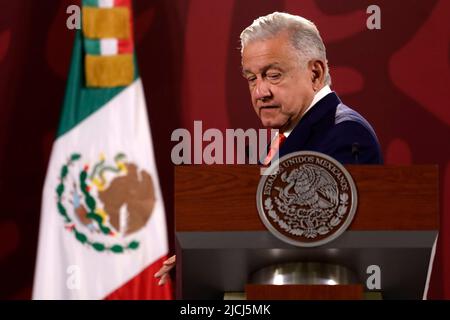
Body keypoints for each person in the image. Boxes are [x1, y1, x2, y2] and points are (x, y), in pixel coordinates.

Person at [154, 11, 383, 285]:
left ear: (315, 73)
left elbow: (314, 236)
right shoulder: (289, 135)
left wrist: (213, 257)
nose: (260, 92)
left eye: (273, 75)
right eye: (252, 78)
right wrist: (206, 255)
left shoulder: (343, 133)